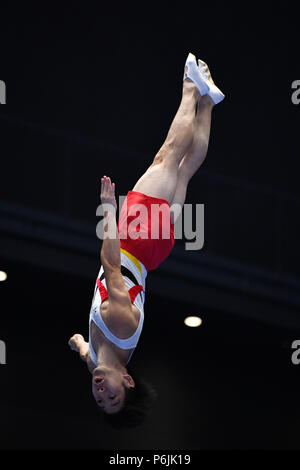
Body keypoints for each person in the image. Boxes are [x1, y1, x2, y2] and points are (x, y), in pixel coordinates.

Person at [68, 52, 225, 428]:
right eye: (114, 396)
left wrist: (77, 342)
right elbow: (109, 264)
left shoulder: (97, 361)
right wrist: (108, 210)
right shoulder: (119, 325)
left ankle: (208, 101)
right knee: (167, 158)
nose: (101, 392)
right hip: (135, 241)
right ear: (128, 380)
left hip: (153, 254)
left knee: (185, 171)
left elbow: (85, 349)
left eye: (101, 401)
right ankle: (192, 85)